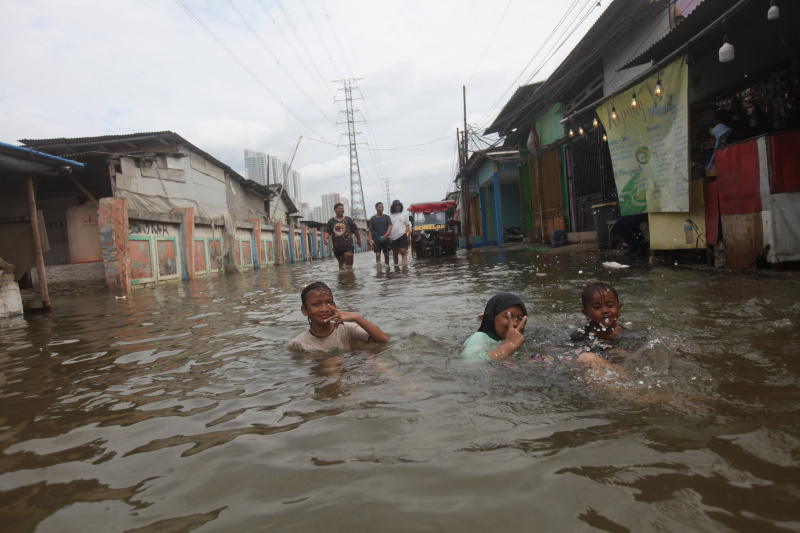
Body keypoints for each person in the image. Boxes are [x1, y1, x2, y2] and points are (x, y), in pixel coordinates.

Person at [288, 282, 389, 353]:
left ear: (334, 305)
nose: (324, 309)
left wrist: (356, 317)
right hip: (323, 376)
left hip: (349, 368)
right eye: (316, 304)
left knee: (372, 360)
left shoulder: (347, 329)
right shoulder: (299, 344)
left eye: (329, 303)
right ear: (304, 310)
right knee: (331, 362)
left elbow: (383, 340)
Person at [569, 282, 639, 364]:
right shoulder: (580, 335)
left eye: (610, 305)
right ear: (586, 313)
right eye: (597, 307)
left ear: (619, 309)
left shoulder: (630, 337)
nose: (605, 311)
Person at [462, 293, 528, 362]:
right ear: (492, 318)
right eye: (507, 317)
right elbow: (471, 361)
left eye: (520, 319)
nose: (515, 323)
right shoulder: (479, 337)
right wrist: (509, 345)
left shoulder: (523, 339)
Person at [324, 202, 362, 270]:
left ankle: (350, 274)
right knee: (341, 263)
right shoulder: (331, 221)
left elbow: (355, 230)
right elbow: (327, 231)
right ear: (335, 210)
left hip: (348, 244)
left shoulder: (348, 220)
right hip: (337, 246)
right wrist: (325, 238)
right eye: (339, 208)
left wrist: (358, 239)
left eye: (342, 208)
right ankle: (342, 278)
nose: (341, 210)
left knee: (349, 255)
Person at [388, 199, 410, 265]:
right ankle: (396, 268)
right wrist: (389, 235)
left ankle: (405, 267)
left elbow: (407, 225)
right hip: (393, 237)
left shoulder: (404, 215)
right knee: (395, 253)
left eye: (399, 205)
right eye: (397, 205)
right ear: (393, 206)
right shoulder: (389, 216)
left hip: (402, 235)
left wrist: (406, 232)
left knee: (403, 252)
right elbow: (388, 226)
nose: (398, 207)